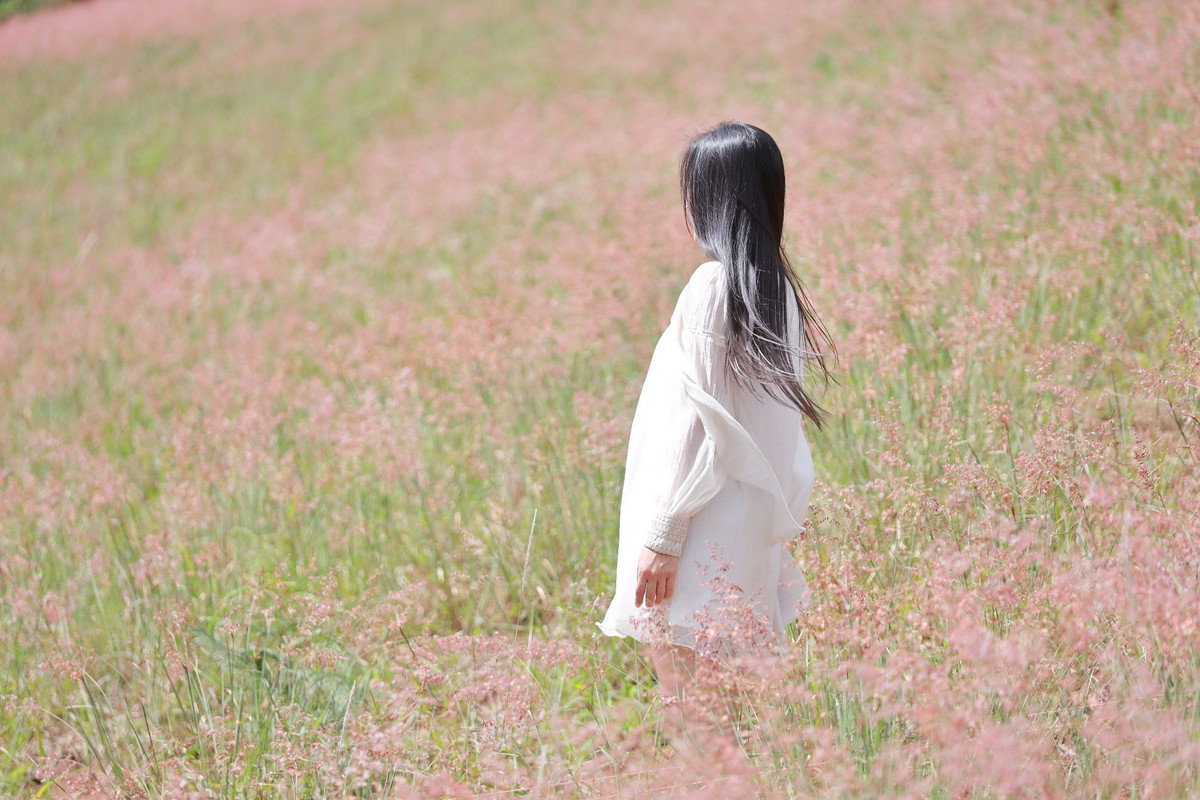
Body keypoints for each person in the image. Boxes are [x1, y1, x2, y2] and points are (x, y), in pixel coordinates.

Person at [597, 121, 834, 698]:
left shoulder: (713, 285)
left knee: (695, 717)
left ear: (709, 200)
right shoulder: (778, 294)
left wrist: (666, 531)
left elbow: (704, 426)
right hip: (741, 533)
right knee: (726, 713)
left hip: (695, 533)